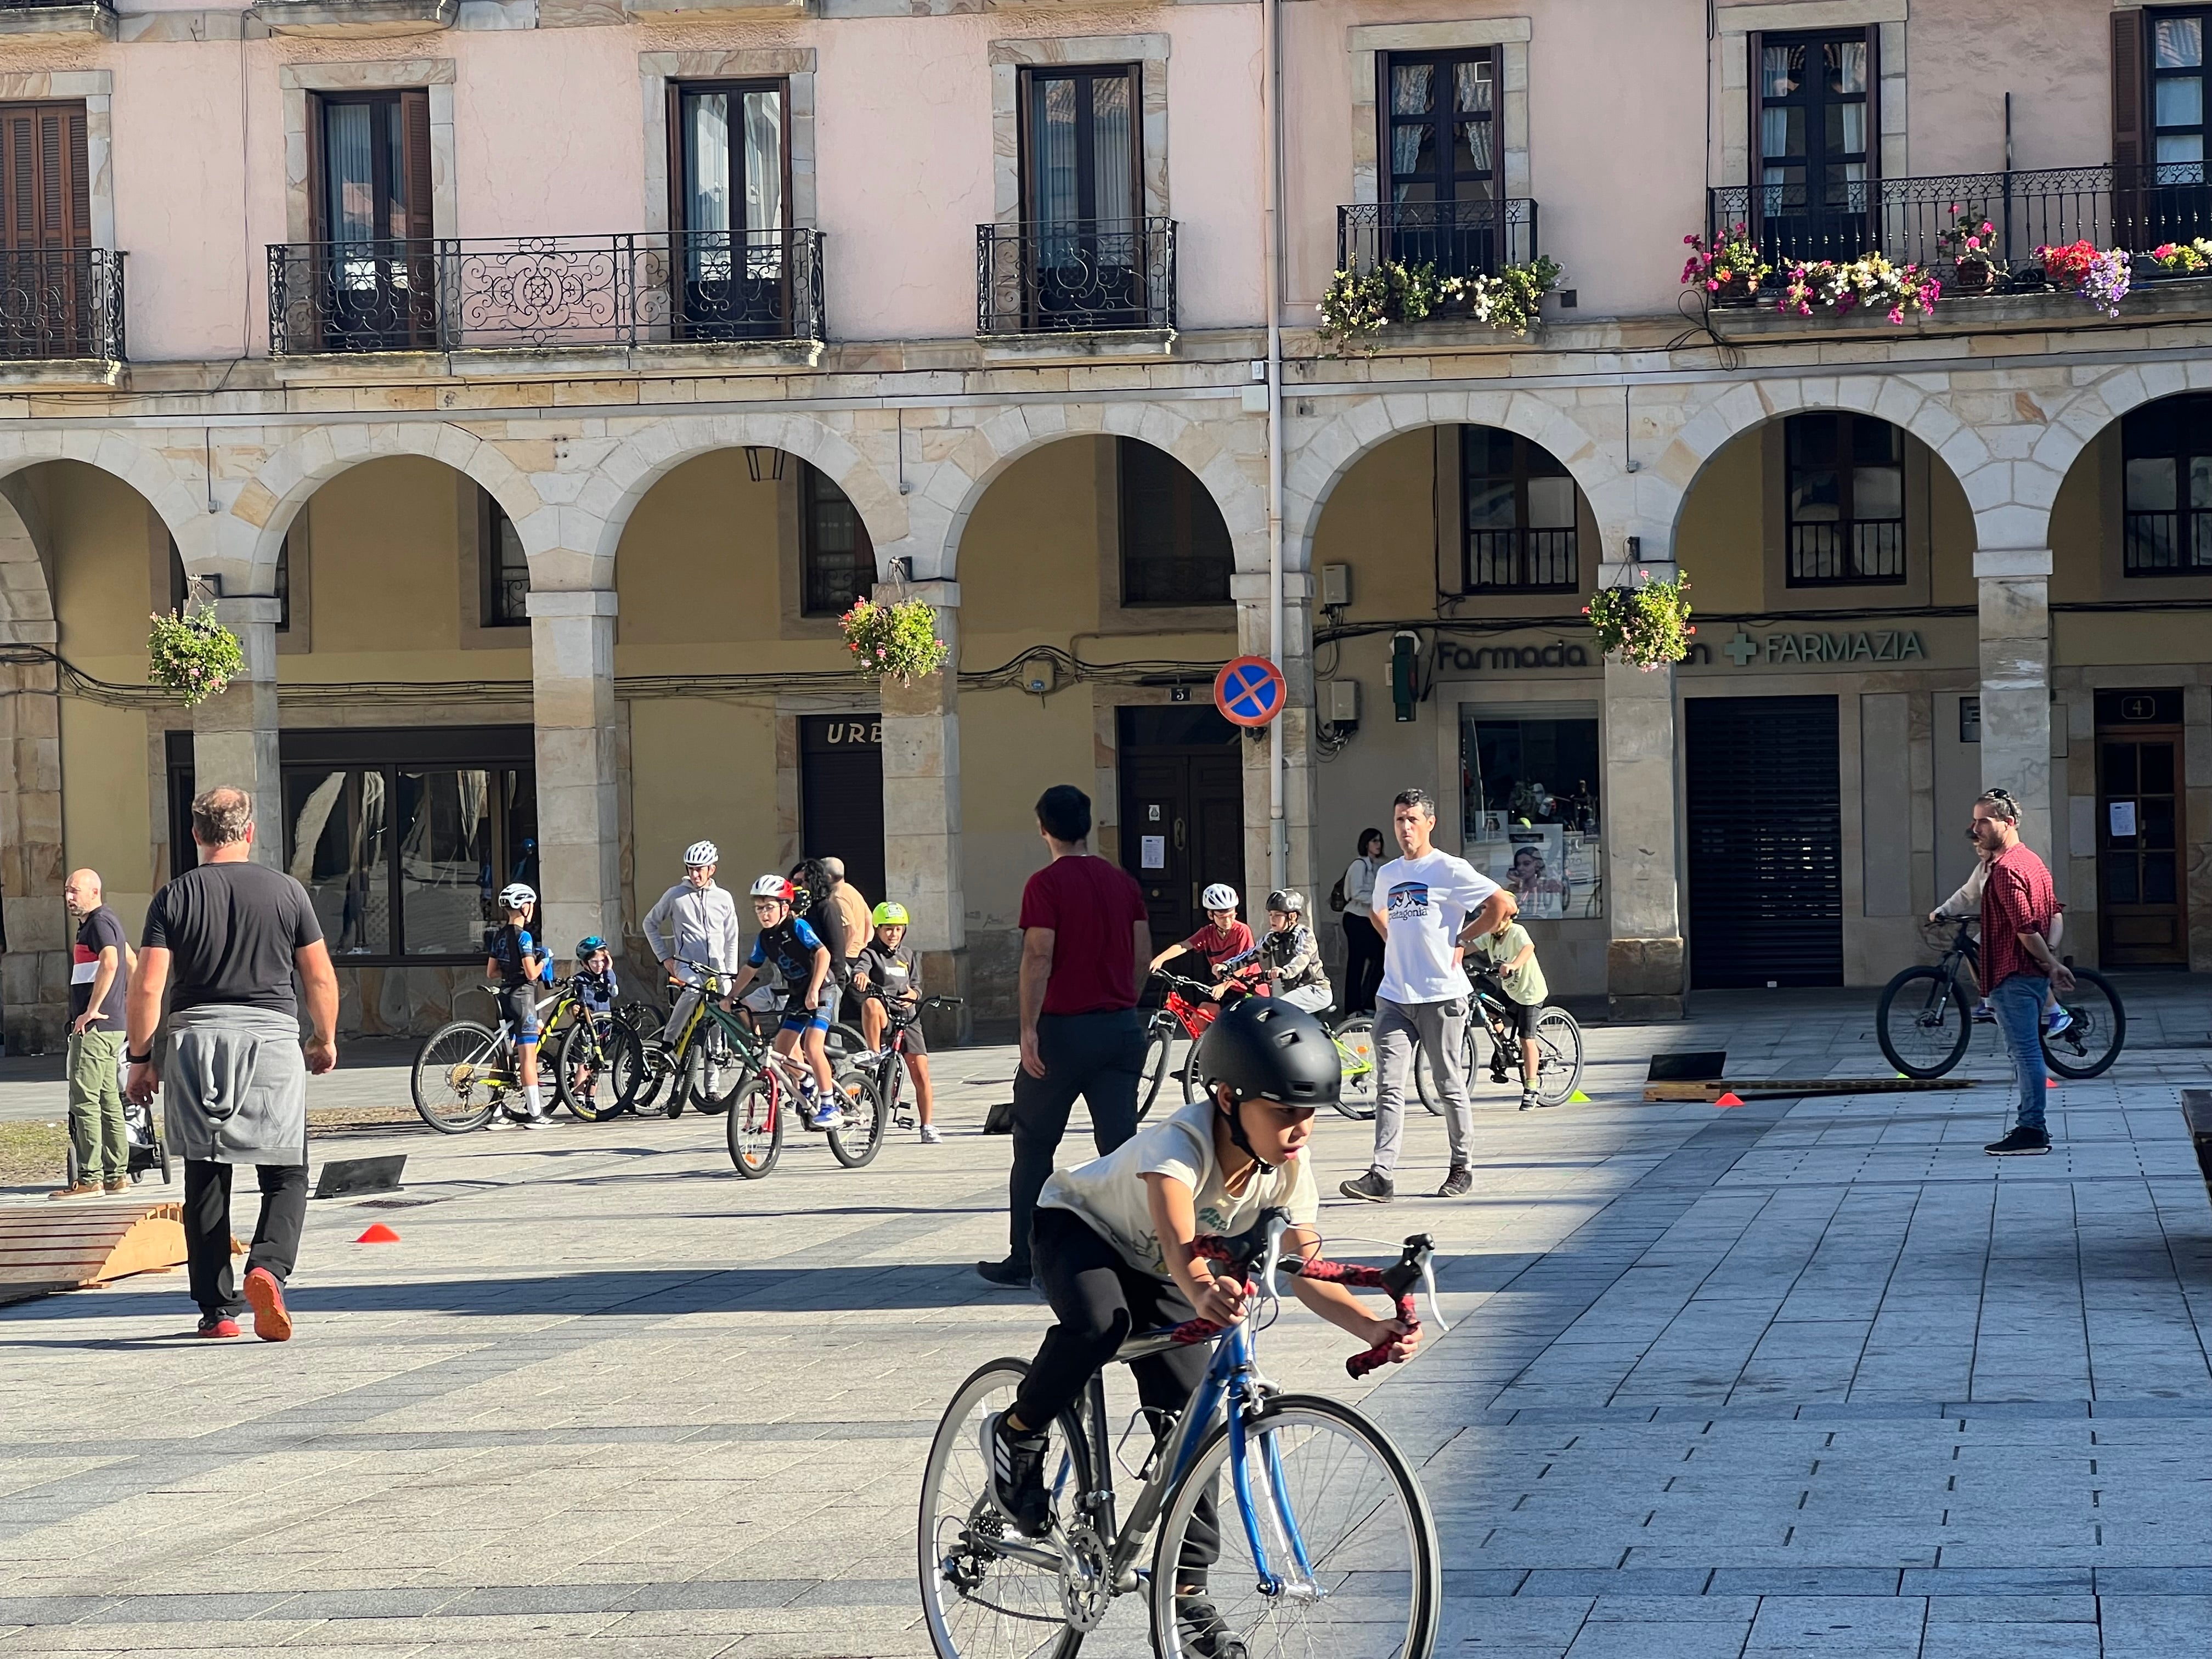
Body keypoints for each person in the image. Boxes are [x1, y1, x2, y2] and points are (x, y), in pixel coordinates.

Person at [983, 997, 1419, 1655]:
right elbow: (1179, 1240)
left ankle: (1185, 1596)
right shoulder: (1179, 1144)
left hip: (1169, 1270)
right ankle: (1017, 1433)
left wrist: (1372, 1328)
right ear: (1227, 1097)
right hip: (1080, 1231)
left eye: (1308, 1114)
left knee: (1196, 1429)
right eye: (1284, 1111)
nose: (1301, 1128)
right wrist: (1203, 1290)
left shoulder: (1290, 1170)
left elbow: (1308, 1270)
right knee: (1102, 1324)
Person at [125, 787, 337, 1341]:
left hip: (197, 1041)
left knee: (206, 1175)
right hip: (270, 1039)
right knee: (286, 1169)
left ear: (196, 835)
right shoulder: (287, 893)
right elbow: (317, 976)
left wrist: (142, 1059)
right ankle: (268, 1266)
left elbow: (148, 985)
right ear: (249, 833)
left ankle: (218, 1312)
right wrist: (324, 1038)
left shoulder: (174, 897)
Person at [977, 784, 1150, 1289]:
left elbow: (1038, 957)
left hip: (1063, 1031)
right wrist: (1124, 1003)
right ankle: (1132, 1250)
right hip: (1119, 1028)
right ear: (1089, 826)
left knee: (1033, 1144)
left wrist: (1028, 1028)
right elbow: (1142, 957)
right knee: (1119, 1148)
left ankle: (1024, 1257)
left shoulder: (1045, 884)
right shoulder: (1123, 883)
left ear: (1043, 829)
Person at [1341, 787, 1516, 1204]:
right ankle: (1381, 1175)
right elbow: (1377, 912)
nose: (1404, 828)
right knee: (1388, 1086)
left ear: (1429, 824)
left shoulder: (1448, 869)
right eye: (1399, 820)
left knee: (1448, 1084)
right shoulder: (1387, 874)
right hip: (1395, 996)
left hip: (1442, 994)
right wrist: (1396, 945)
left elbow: (1502, 904)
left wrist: (1463, 937)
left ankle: (1462, 1165)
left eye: (1412, 820)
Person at [1969, 788, 2070, 1157]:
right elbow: (2055, 914)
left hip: (2012, 975)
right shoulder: (2033, 862)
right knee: (2027, 1051)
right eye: (1975, 819)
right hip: (2031, 975)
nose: (1975, 827)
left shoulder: (2007, 870)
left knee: (2025, 1053)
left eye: (1983, 820)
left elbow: (2026, 929)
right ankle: (2031, 1126)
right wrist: (2052, 956)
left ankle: (2032, 1129)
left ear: (2007, 823)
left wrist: (2050, 963)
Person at [727, 875, 841, 1129]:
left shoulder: (797, 927)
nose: (764, 914)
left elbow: (823, 953)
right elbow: (750, 968)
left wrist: (814, 990)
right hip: (798, 994)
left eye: (769, 907)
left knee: (813, 1046)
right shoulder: (765, 938)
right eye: (759, 908)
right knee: (782, 1049)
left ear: (785, 907)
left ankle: (829, 1104)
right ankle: (808, 1083)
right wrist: (731, 996)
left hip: (822, 990)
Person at [52, 868, 134, 1199]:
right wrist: (126, 1002)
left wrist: (93, 1008)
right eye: (68, 891)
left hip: (96, 1027)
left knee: (84, 1100)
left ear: (94, 892)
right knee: (107, 1098)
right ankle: (117, 1176)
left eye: (75, 891)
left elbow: (113, 962)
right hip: (112, 1025)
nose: (69, 898)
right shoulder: (106, 922)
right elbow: (132, 960)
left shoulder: (99, 922)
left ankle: (90, 1178)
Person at [1932, 847, 2070, 1035]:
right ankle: (1987, 997)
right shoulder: (1983, 869)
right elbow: (1966, 895)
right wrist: (1943, 911)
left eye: (1982, 846)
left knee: (2031, 968)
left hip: (2028, 927)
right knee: (1977, 946)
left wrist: (2049, 949)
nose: (1979, 850)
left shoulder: (2011, 867)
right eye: (1976, 847)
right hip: (2003, 931)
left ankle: (2056, 1012)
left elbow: (2050, 914)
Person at [853, 901, 940, 1144]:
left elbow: (917, 987)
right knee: (870, 1003)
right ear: (878, 930)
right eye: (888, 929)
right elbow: (861, 969)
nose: (893, 935)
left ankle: (927, 1126)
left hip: (908, 1017)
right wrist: (860, 976)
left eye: (898, 929)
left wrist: (914, 995)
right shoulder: (870, 954)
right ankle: (874, 1052)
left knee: (921, 1072)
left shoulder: (908, 955)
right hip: (885, 1014)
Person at [644, 840, 744, 1049]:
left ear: (712, 870)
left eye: (699, 870)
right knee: (694, 989)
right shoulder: (675, 895)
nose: (695, 875)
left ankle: (714, 1069)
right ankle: (668, 1041)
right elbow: (649, 923)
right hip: (687, 964)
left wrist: (730, 972)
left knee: (720, 1009)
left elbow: (732, 937)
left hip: (718, 968)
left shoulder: (724, 898)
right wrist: (664, 957)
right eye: (691, 869)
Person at [1465, 909, 1548, 1110]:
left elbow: (1529, 948)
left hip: (1530, 992)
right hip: (1511, 991)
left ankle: (1531, 1088)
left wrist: (1513, 964)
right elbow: (1469, 948)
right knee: (1490, 1009)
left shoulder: (1516, 931)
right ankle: (1504, 1048)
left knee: (1526, 1038)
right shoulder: (1491, 937)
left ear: (1506, 918)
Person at [485, 882, 552, 1127]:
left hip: (504, 994)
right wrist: (544, 959)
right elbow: (532, 974)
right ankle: (536, 1114)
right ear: (525, 907)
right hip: (522, 997)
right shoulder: (524, 937)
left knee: (503, 1056)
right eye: (531, 904)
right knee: (527, 1058)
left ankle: (495, 1113)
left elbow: (492, 972)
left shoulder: (499, 936)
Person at [1148, 884, 1259, 1001]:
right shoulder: (1208, 932)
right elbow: (1184, 945)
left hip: (1247, 987)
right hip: (1225, 987)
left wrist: (1224, 985)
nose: (1227, 922)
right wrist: (1160, 959)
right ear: (1211, 915)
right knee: (1201, 1013)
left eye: (1231, 916)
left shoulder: (1242, 930)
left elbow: (1245, 964)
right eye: (1222, 917)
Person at [1256, 889, 1332, 1014]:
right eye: (1270, 915)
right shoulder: (1273, 937)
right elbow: (1252, 953)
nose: (1272, 919)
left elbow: (1301, 959)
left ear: (1292, 916)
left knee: (1277, 1010)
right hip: (1297, 993)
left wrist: (1285, 971)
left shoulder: (1304, 934)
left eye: (1277, 915)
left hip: (1317, 990)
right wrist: (1228, 966)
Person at [1339, 828, 1386, 1014]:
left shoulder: (1377, 865)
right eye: (1374, 841)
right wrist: (1379, 900)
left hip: (1368, 919)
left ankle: (1367, 1004)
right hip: (1356, 919)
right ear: (1366, 843)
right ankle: (1354, 1007)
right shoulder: (1359, 865)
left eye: (1380, 841)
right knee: (1357, 963)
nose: (1378, 844)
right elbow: (1354, 893)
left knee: (1379, 959)